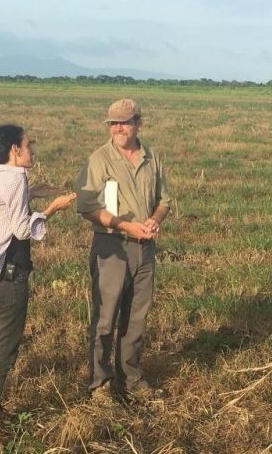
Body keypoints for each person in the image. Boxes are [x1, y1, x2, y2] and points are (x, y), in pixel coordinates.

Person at [0, 124, 76, 431]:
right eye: (28, 146)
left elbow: (4, 203)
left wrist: (33, 191)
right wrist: (53, 208)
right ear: (15, 150)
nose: (32, 152)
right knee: (5, 350)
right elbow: (22, 229)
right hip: (11, 274)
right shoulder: (15, 178)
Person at [75, 98, 171, 403]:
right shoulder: (99, 159)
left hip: (145, 248)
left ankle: (130, 378)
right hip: (111, 247)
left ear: (138, 124)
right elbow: (86, 207)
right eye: (112, 123)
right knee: (105, 319)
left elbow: (164, 200)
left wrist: (155, 220)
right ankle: (100, 385)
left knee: (136, 319)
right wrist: (126, 226)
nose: (117, 128)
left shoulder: (151, 157)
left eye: (124, 123)